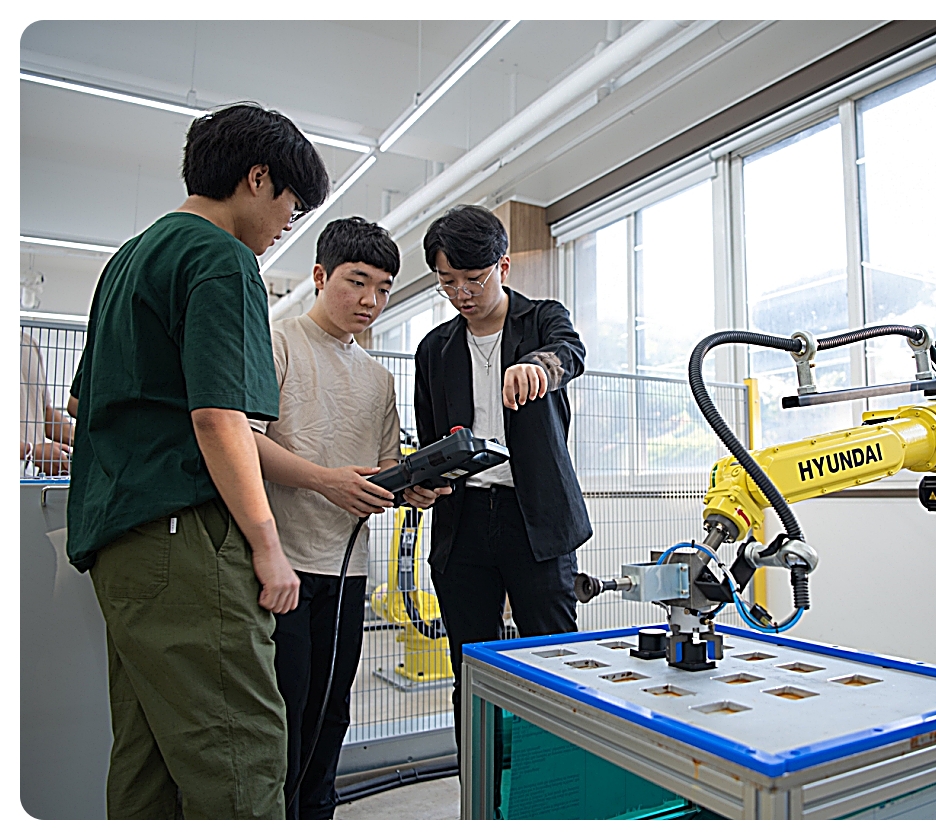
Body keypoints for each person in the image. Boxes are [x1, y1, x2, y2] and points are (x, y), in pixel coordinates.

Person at [66, 104, 330, 819]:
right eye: (291, 205)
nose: (287, 224)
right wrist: (268, 545)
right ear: (258, 177)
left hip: (120, 546)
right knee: (240, 754)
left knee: (147, 761)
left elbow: (84, 401)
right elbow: (219, 417)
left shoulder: (130, 259)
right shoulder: (220, 257)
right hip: (184, 541)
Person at [404, 205, 592, 749]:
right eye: (447, 282)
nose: (461, 293)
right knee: (471, 669)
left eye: (473, 279)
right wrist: (422, 483)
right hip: (462, 524)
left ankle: (556, 781)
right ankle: (481, 785)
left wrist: (539, 367)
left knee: (553, 661)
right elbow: (432, 439)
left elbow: (570, 353)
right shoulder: (434, 349)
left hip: (536, 521)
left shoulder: (541, 319)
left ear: (503, 266)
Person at [250, 217, 402, 819]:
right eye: (356, 282)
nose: (370, 301)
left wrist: (414, 485)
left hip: (348, 568)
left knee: (331, 711)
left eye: (383, 288)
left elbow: (386, 467)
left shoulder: (380, 378)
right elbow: (245, 441)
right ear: (319, 275)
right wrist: (324, 480)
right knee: (282, 713)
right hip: (281, 563)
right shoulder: (278, 342)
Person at [19, 329, 75, 476]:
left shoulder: (28, 343)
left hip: (29, 476)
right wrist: (31, 451)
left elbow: (44, 413)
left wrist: (85, 438)